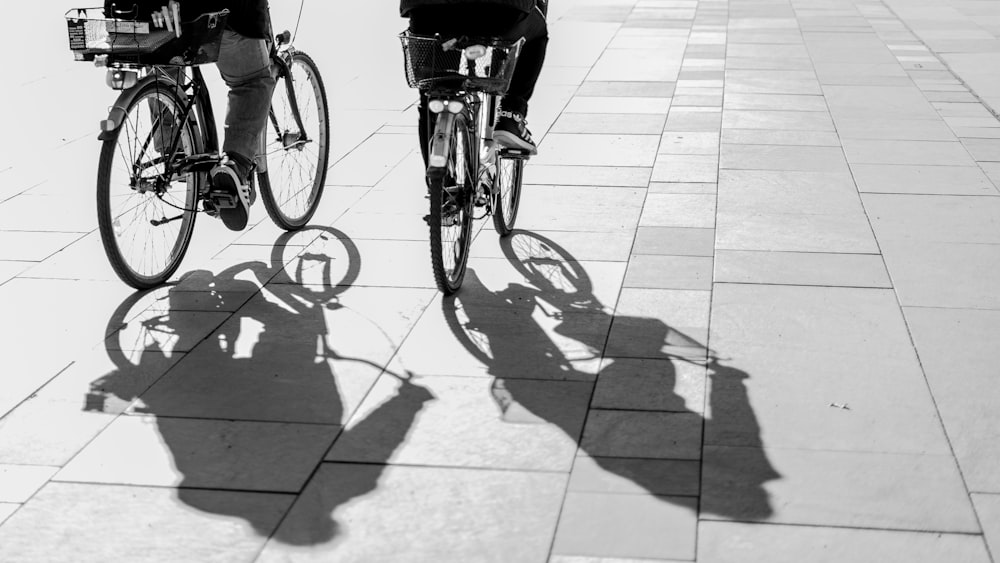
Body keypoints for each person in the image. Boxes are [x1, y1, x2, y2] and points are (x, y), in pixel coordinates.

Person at [104, 0, 274, 231]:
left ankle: (174, 148)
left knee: (165, 66)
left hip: (139, 14)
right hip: (209, 14)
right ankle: (235, 165)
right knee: (252, 81)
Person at [400, 0, 549, 155]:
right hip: (499, 13)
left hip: (428, 12)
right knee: (538, 33)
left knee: (434, 87)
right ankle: (511, 113)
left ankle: (437, 173)